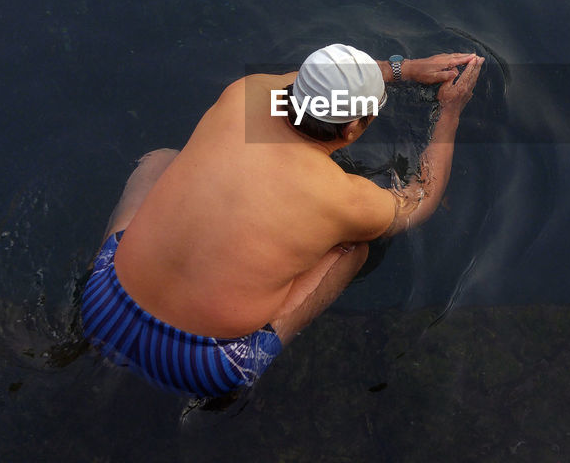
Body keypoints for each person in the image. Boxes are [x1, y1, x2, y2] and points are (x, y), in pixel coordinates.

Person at [81, 44, 484, 397]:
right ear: (351, 129)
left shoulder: (246, 95)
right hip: (205, 364)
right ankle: (263, 352)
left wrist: (405, 69)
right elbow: (421, 199)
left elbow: (309, 89)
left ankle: (104, 312)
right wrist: (449, 112)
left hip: (102, 304)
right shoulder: (343, 196)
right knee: (353, 249)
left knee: (162, 160)